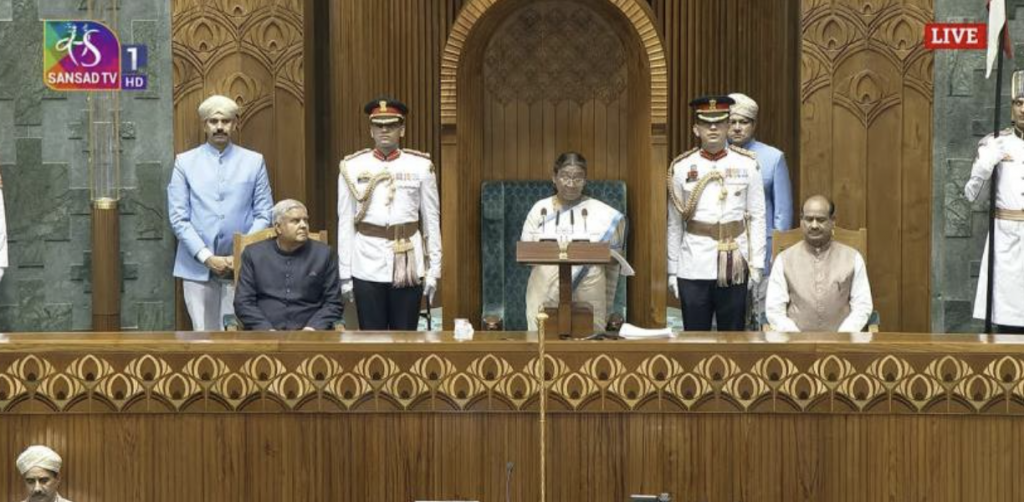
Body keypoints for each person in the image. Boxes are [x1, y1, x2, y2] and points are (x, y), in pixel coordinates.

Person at [168, 94, 274, 331]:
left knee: (237, 337)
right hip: (197, 267)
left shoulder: (254, 161)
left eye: (225, 121)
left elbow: (264, 213)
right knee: (202, 335)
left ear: (234, 124)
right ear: (204, 125)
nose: (219, 127)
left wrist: (239, 251)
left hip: (242, 265)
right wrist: (207, 257)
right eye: (213, 121)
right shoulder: (184, 162)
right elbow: (179, 218)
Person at [337, 97, 441, 330]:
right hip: (366, 261)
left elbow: (431, 221)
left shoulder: (421, 166)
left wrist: (435, 269)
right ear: (370, 129)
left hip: (408, 260)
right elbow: (345, 222)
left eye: (391, 125)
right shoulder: (351, 167)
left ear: (401, 129)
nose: (384, 130)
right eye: (378, 125)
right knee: (371, 336)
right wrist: (345, 274)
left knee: (405, 337)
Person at [667, 95, 766, 331]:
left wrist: (757, 265)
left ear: (727, 127)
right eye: (706, 123)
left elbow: (757, 216)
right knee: (695, 338)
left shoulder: (748, 164)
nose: (713, 128)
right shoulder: (681, 168)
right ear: (696, 129)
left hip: (735, 262)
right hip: (694, 263)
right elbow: (674, 224)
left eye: (720, 122)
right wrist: (672, 270)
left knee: (733, 338)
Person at [521, 152, 627, 331]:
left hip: (589, 288)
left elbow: (616, 256)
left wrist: (588, 255)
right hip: (545, 288)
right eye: (564, 177)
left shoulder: (602, 213)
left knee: (588, 346)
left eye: (577, 178)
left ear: (585, 180)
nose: (571, 184)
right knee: (544, 343)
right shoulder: (540, 209)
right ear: (554, 178)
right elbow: (525, 253)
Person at [965, 70, 1024, 333]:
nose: (1023, 109)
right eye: (1018, 103)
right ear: (1011, 107)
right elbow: (970, 196)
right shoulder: (995, 143)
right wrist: (983, 167)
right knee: (1005, 320)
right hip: (1005, 239)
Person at [727, 92, 793, 328]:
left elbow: (783, 215)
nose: (736, 128)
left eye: (743, 122)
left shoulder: (773, 158)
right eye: (732, 121)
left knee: (761, 316)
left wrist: (776, 255)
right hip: (725, 249)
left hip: (762, 251)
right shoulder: (714, 157)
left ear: (754, 125)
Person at [765, 195, 873, 332]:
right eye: (809, 219)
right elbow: (774, 310)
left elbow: (862, 306)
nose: (814, 225)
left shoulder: (853, 258)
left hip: (841, 346)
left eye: (820, 220)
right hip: (795, 345)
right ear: (801, 221)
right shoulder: (784, 260)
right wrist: (797, 340)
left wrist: (842, 337)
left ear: (832, 221)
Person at [234, 199, 342, 330]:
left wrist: (312, 328)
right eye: (295, 221)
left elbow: (333, 303)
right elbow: (243, 303)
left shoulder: (324, 254)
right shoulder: (254, 254)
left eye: (305, 220)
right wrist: (266, 329)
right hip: (263, 334)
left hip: (311, 335)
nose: (303, 225)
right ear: (278, 227)